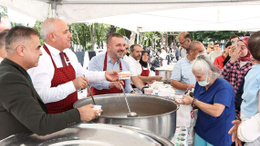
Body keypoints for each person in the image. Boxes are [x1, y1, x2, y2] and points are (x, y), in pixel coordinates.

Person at [0, 26, 101, 140]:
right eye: (37, 48)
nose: (41, 53)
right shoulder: (11, 78)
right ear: (21, 50)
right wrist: (79, 114)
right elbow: (40, 124)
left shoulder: (13, 72)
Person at [28, 18, 119, 114]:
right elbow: (42, 96)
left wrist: (104, 75)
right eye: (65, 32)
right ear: (52, 36)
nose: (70, 35)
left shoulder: (68, 53)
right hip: (52, 119)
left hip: (72, 114)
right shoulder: (41, 58)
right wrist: (73, 85)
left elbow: (82, 74)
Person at [181, 55, 235, 146]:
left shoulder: (223, 88)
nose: (196, 80)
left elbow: (216, 111)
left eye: (199, 77)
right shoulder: (200, 84)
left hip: (219, 133)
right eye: (195, 76)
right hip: (202, 129)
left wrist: (193, 101)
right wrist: (187, 100)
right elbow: (200, 101)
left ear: (209, 73)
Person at [228, 31, 260, 146]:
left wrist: (243, 128)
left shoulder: (252, 70)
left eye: (243, 47)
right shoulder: (252, 70)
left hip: (246, 120)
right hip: (249, 123)